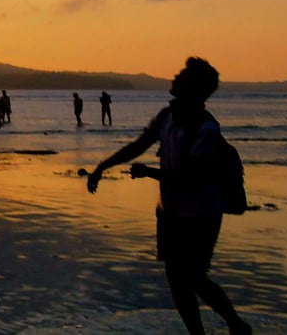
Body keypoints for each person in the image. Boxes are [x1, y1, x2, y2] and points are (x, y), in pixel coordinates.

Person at [86, 57, 251, 335]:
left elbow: (192, 179)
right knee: (178, 278)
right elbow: (138, 145)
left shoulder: (206, 130)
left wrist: (149, 173)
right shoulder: (167, 116)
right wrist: (103, 166)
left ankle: (236, 324)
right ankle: (208, 331)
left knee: (194, 277)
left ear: (195, 88)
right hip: (171, 212)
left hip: (201, 215)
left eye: (183, 75)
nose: (176, 76)